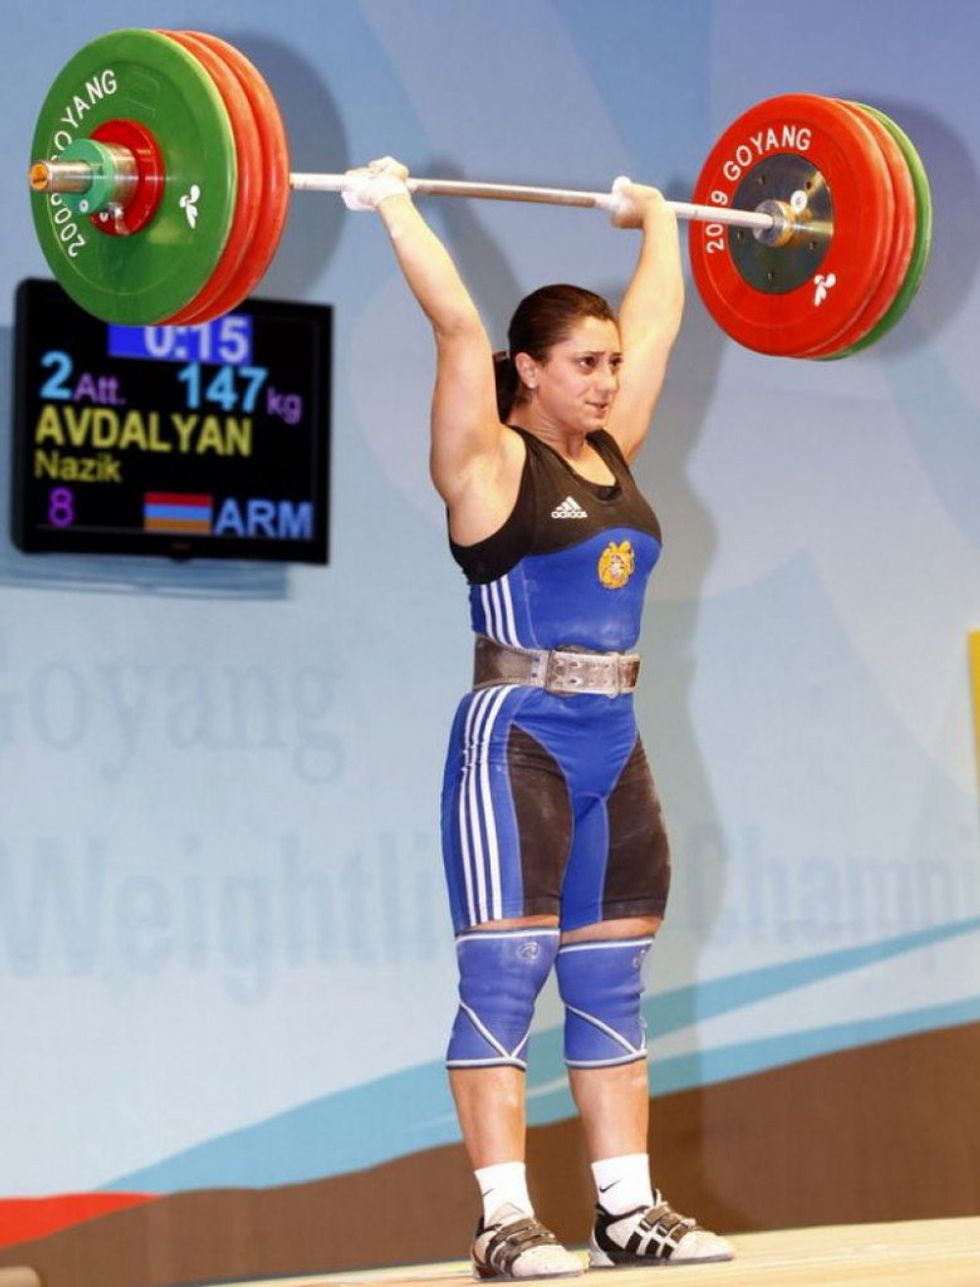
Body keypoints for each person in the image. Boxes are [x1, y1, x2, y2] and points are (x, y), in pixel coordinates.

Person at [343, 157, 734, 1278]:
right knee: (506, 977)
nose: (609, 380)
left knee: (610, 979)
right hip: (515, 741)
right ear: (529, 370)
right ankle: (502, 1220)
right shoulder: (485, 463)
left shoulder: (609, 450)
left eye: (610, 364)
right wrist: (394, 204)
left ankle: (624, 1211)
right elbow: (456, 328)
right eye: (585, 364)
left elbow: (659, 324)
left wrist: (655, 221)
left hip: (614, 741)